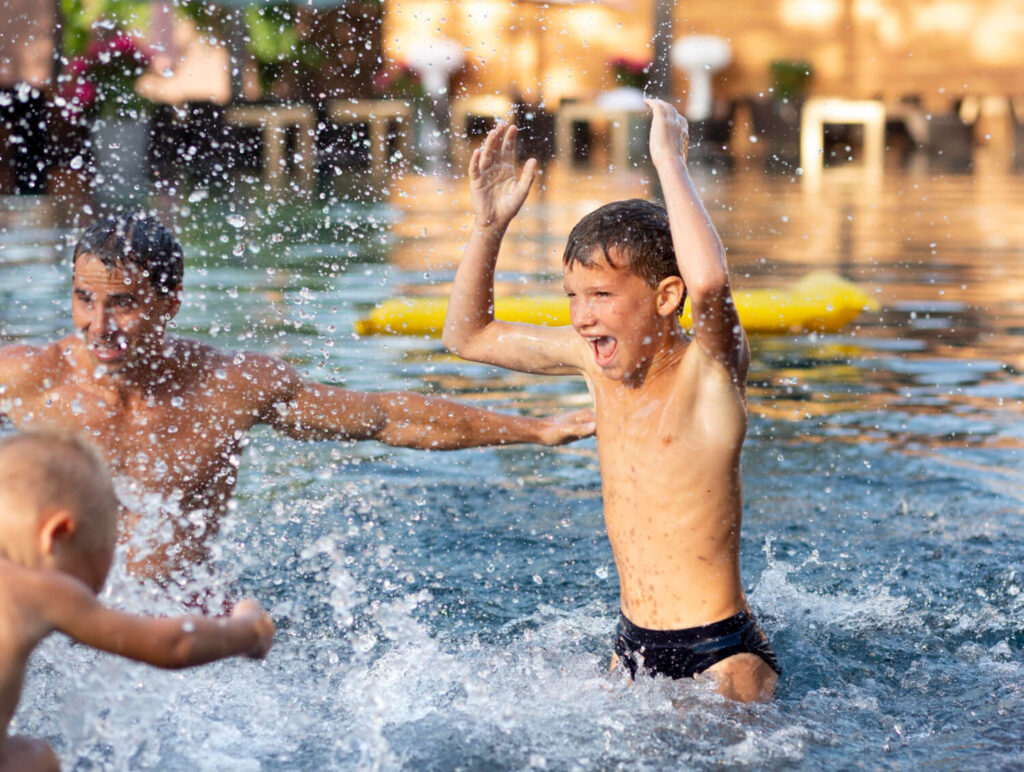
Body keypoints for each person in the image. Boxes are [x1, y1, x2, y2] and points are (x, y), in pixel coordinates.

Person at [0, 215, 594, 574]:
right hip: (63, 619)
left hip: (181, 617)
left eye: (122, 303)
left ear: (170, 301)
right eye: (84, 298)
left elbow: (383, 417)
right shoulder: (31, 378)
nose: (98, 324)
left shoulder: (227, 387)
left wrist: (538, 429)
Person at [441, 100, 779, 702]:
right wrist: (488, 229)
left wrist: (669, 160)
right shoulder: (592, 364)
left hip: (722, 655)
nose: (581, 316)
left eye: (600, 294)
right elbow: (468, 336)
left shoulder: (711, 375)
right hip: (629, 645)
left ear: (665, 297)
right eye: (572, 295)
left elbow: (710, 284)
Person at [0, 430, 275, 771]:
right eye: (103, 553)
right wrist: (249, 630)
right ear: (58, 535)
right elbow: (175, 644)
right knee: (36, 758)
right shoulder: (37, 589)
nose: (100, 582)